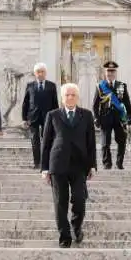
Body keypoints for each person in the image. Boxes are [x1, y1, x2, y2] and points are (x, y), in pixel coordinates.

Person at [41, 83, 96, 248]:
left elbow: (91, 142)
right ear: (62, 97)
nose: (70, 98)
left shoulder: (86, 115)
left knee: (79, 199)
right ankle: (64, 236)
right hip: (58, 164)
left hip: (79, 165)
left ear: (77, 97)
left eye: (73, 95)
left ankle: (76, 226)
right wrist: (44, 169)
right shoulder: (53, 115)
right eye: (67, 95)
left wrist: (92, 165)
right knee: (60, 201)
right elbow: (46, 143)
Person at [92, 61, 131, 170]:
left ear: (115, 72)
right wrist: (96, 118)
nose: (110, 73)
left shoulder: (122, 86)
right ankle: (107, 164)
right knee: (105, 142)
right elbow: (95, 105)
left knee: (121, 141)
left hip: (120, 118)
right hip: (105, 117)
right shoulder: (100, 86)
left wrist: (129, 116)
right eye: (108, 71)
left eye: (112, 71)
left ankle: (119, 163)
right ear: (105, 73)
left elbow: (127, 102)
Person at [22, 63, 59, 169]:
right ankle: (37, 162)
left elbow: (55, 103)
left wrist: (56, 119)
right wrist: (24, 118)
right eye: (38, 72)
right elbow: (25, 103)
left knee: (46, 139)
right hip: (33, 117)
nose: (40, 74)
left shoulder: (51, 86)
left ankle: (45, 163)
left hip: (47, 117)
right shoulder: (30, 86)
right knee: (34, 140)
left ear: (45, 73)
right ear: (35, 73)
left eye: (42, 71)